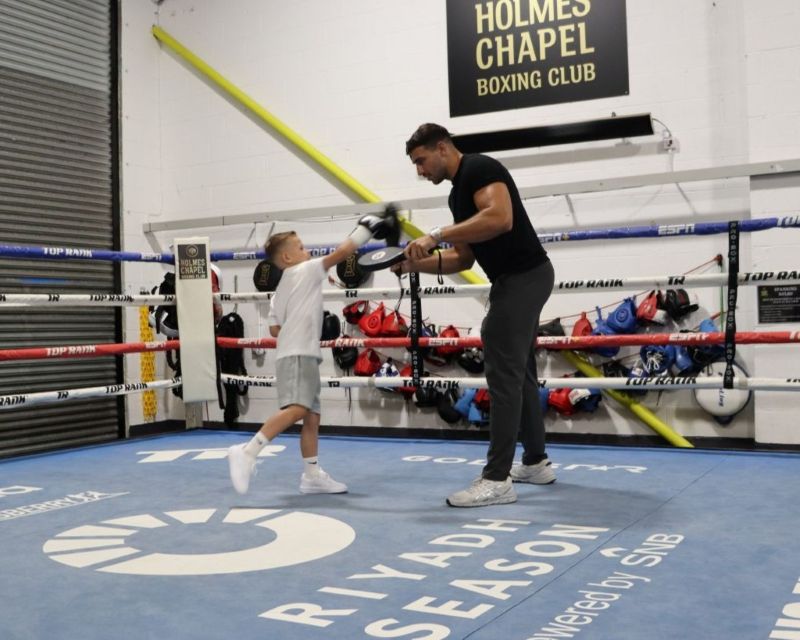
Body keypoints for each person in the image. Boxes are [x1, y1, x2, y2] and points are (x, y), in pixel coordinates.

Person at [397, 123, 556, 508]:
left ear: (442, 148)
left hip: (522, 279)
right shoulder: (457, 197)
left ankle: (497, 479)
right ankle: (535, 462)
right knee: (520, 375)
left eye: (421, 161)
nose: (420, 171)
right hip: (519, 280)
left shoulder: (479, 168)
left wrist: (434, 235)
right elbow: (464, 258)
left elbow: (500, 217)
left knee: (502, 376)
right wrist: (413, 265)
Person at [227, 210, 397, 495]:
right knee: (298, 409)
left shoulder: (280, 289)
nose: (308, 252)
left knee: (312, 416)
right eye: (302, 248)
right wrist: (366, 228)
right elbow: (342, 253)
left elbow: (274, 330)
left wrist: (300, 331)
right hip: (297, 355)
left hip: (298, 352)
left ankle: (312, 475)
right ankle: (247, 451)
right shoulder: (304, 271)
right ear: (287, 259)